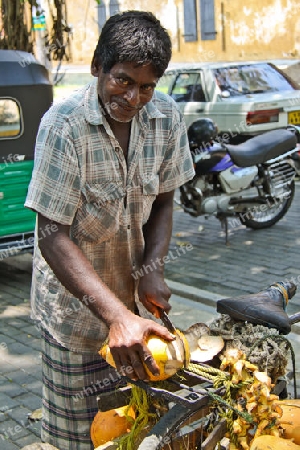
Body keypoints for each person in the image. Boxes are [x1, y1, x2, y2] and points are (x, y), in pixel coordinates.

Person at [25, 10, 195, 450]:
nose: (134, 97)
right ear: (97, 67)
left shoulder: (167, 118)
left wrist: (153, 270)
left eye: (146, 87)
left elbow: (163, 200)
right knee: (81, 438)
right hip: (76, 317)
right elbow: (50, 234)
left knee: (130, 431)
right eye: (122, 80)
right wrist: (116, 317)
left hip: (136, 310)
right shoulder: (63, 125)